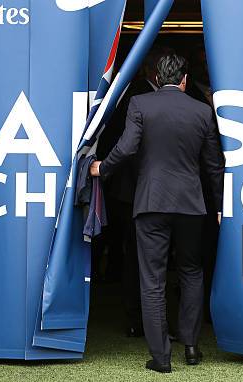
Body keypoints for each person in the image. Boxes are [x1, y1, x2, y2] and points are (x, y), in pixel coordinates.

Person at [89, 54, 225, 373]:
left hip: (150, 201)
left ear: (157, 77)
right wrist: (219, 206)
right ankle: (191, 345)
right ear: (184, 80)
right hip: (191, 205)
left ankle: (161, 358)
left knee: (152, 279)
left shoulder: (140, 104)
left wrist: (102, 168)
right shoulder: (202, 111)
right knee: (192, 271)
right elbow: (213, 165)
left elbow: (126, 148)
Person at [96, 45, 174, 338]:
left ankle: (153, 320)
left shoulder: (164, 97)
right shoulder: (132, 95)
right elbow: (121, 142)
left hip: (153, 187)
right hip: (132, 188)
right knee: (136, 256)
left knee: (153, 258)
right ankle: (136, 318)